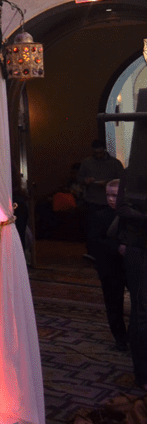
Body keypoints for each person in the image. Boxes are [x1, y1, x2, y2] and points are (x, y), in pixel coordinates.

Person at [90, 179, 128, 352]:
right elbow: (95, 242)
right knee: (113, 305)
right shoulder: (100, 216)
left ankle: (134, 337)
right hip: (109, 267)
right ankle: (120, 339)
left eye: (115, 195)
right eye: (108, 195)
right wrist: (117, 247)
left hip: (130, 265)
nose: (111, 199)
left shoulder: (131, 215)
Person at [117, 173, 147, 388]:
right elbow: (123, 208)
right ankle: (143, 374)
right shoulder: (132, 173)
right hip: (139, 247)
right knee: (141, 311)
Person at [78, 140, 125, 242]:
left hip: (109, 202)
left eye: (100, 153)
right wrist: (85, 180)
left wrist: (108, 183)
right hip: (92, 201)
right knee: (93, 231)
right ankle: (93, 253)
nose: (98, 155)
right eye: (96, 153)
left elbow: (122, 181)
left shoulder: (115, 163)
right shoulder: (86, 162)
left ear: (104, 150)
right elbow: (79, 179)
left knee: (110, 231)